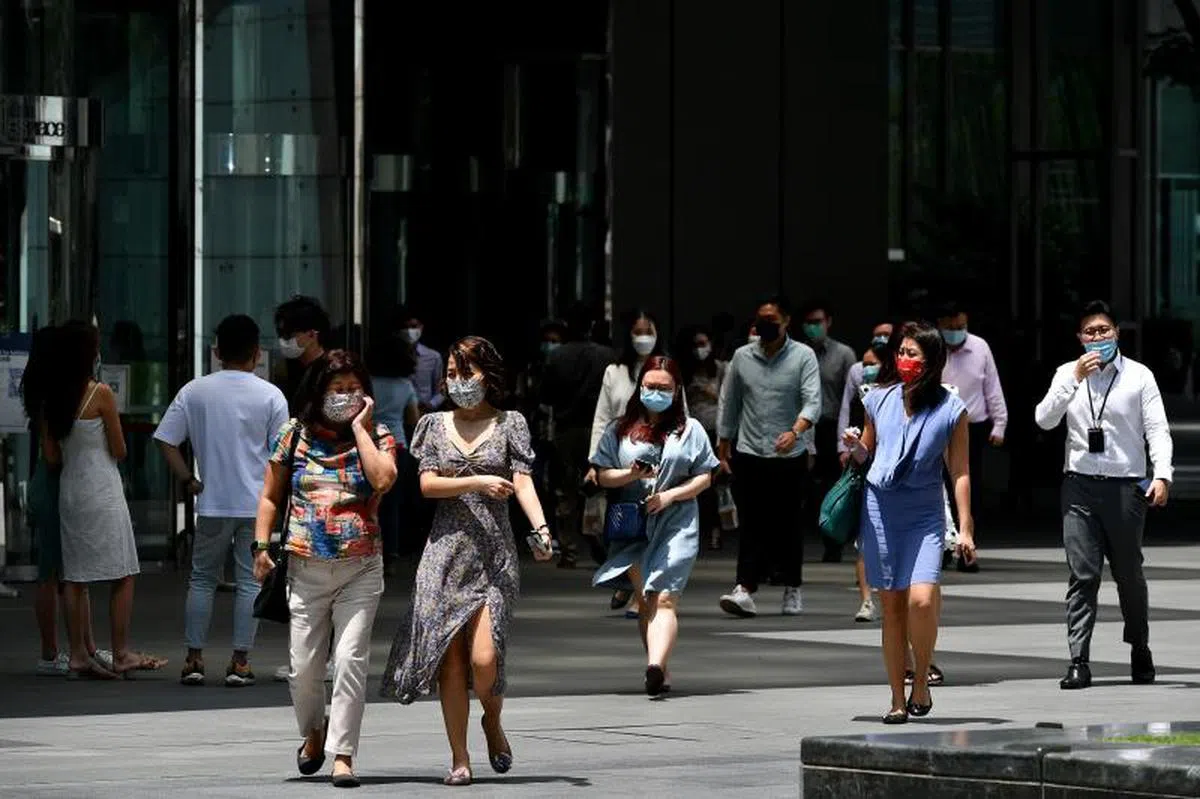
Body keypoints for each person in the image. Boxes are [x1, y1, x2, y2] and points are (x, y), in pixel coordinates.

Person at [382, 336, 553, 787]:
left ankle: (491, 720)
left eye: (466, 373)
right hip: (445, 554)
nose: (458, 382)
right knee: (451, 662)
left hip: (494, 554)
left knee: (485, 658)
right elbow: (427, 485)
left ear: (488, 375)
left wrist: (541, 528)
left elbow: (523, 482)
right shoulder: (434, 424)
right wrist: (477, 481)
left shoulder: (511, 423)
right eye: (451, 374)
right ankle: (460, 758)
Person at [253, 350, 397, 787]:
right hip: (305, 568)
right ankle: (313, 732)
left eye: (354, 389)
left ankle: (343, 755)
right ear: (318, 392)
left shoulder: (378, 435)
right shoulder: (293, 434)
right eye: (338, 389)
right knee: (304, 670)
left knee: (350, 660)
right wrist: (261, 546)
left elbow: (383, 479)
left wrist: (360, 429)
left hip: (360, 568)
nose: (346, 396)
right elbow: (270, 496)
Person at [1034, 300, 1173, 691]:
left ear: (1117, 333)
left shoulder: (1139, 376)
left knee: (1129, 575)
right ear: (1080, 338)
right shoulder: (1068, 373)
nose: (1097, 337)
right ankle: (1078, 659)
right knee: (1083, 574)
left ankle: (1139, 646)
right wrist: (1073, 379)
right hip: (1079, 485)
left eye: (1104, 330)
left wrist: (1162, 475)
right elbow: (1044, 419)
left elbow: (1157, 429)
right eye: (1090, 332)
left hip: (1126, 486)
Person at [842, 321, 975, 723]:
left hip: (924, 513)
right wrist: (854, 447)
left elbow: (960, 471)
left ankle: (921, 679)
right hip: (880, 510)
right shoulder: (878, 399)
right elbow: (867, 454)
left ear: (932, 360)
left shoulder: (951, 409)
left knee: (921, 599)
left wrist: (966, 527)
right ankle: (897, 698)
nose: (903, 359)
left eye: (912, 354)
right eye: (900, 352)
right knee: (893, 606)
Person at [154, 315, 289, 687]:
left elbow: (165, 439)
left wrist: (188, 478)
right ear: (256, 353)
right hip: (258, 505)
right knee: (250, 582)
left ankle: (194, 659)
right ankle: (240, 662)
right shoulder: (271, 395)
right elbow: (281, 454)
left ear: (216, 352)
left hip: (212, 502)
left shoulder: (194, 391)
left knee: (201, 579)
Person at [42, 321, 166, 678]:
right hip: (102, 490)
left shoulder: (52, 399)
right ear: (88, 354)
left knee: (75, 577)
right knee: (123, 572)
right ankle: (121, 652)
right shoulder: (100, 394)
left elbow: (51, 456)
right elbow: (120, 448)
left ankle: (78, 654)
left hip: (70, 490)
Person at [592, 356, 718, 695]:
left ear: (677, 391)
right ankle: (659, 666)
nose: (656, 393)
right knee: (646, 598)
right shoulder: (618, 429)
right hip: (633, 524)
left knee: (664, 597)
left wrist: (670, 495)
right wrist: (631, 475)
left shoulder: (691, 430)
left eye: (664, 387)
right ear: (640, 387)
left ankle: (655, 666)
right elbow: (602, 475)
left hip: (677, 520)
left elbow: (705, 476)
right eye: (650, 386)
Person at [716, 295, 822, 618]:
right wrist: (723, 445)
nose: (765, 325)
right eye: (760, 320)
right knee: (751, 523)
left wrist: (796, 431)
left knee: (788, 523)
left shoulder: (803, 356)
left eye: (772, 320)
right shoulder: (742, 357)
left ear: (786, 321)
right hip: (750, 450)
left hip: (790, 453)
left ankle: (792, 586)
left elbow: (813, 401)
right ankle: (744, 587)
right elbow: (730, 403)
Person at [23, 326, 107, 676]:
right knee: (54, 572)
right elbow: (52, 455)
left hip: (53, 485)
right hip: (53, 486)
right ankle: (53, 652)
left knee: (68, 572)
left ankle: (81, 647)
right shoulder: (53, 397)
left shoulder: (48, 391)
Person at [590, 310, 670, 604]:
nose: (643, 337)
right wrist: (595, 461)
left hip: (657, 453)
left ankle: (641, 591)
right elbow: (602, 416)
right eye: (638, 332)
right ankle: (627, 578)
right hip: (621, 456)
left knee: (654, 525)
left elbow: (680, 411)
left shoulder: (667, 369)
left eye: (649, 331)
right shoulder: (615, 371)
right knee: (625, 525)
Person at [539, 304, 616, 568]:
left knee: (565, 490)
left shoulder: (557, 356)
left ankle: (568, 549)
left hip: (566, 429)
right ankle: (599, 542)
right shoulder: (607, 356)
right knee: (598, 487)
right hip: (598, 428)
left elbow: (545, 394)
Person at [936, 301, 1008, 572]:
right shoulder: (932, 347)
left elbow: (992, 386)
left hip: (972, 426)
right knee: (937, 489)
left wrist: (999, 423)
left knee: (967, 489)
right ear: (940, 325)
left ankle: (966, 547)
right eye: (951, 327)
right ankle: (942, 546)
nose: (956, 332)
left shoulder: (979, 347)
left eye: (961, 327)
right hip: (937, 425)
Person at [799, 301, 859, 563]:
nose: (813, 327)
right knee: (807, 486)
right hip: (804, 427)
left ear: (828, 322)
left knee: (836, 485)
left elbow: (852, 397)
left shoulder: (844, 354)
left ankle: (833, 543)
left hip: (832, 426)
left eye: (818, 322)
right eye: (808, 323)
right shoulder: (799, 353)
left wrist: (847, 440)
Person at [365, 310, 421, 572]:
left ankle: (370, 550)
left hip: (370, 445)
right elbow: (413, 418)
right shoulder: (405, 385)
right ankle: (391, 553)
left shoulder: (367, 384)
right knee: (392, 504)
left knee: (368, 501)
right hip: (397, 446)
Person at [844, 340, 888, 623]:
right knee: (865, 542)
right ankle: (867, 600)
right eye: (865, 364)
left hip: (900, 481)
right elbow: (864, 450)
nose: (867, 369)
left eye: (873, 363)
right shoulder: (866, 397)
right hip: (871, 476)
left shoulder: (908, 395)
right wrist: (852, 445)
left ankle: (893, 598)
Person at [678, 326, 727, 550]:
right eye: (696, 345)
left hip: (715, 429)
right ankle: (693, 530)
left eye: (703, 343)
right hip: (692, 432)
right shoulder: (685, 371)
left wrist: (706, 390)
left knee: (715, 482)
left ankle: (716, 530)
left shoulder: (720, 368)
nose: (700, 349)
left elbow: (727, 399)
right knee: (694, 483)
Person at [274, 295, 331, 416]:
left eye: (289, 335)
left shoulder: (331, 370)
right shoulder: (285, 369)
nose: (283, 340)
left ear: (312, 334)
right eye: (280, 334)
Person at [400, 309, 446, 413]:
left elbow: (441, 391)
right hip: (399, 414)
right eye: (405, 327)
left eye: (413, 326)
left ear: (421, 327)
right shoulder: (391, 358)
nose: (409, 331)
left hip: (425, 413)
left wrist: (431, 404)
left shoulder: (433, 357)